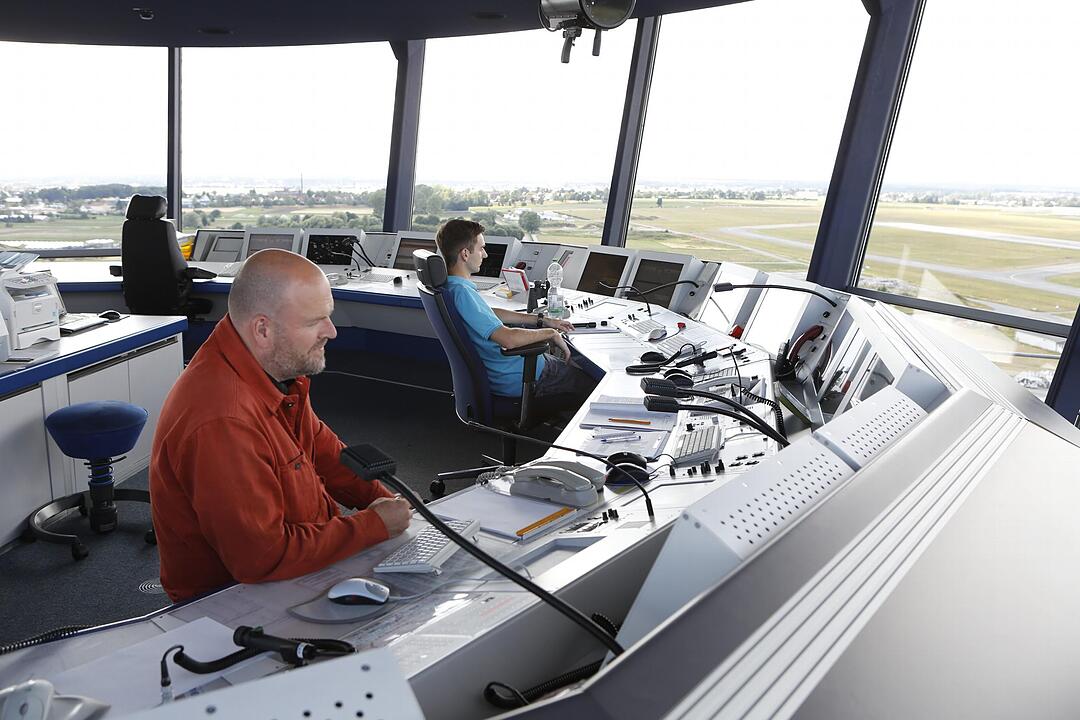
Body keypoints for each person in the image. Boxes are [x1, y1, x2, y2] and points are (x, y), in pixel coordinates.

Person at [150, 249, 411, 602]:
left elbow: (328, 454)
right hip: (234, 599)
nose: (332, 332)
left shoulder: (275, 374)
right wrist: (374, 526)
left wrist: (390, 503)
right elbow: (261, 558)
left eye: (329, 316)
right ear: (263, 329)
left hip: (297, 564)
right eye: (314, 322)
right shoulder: (222, 419)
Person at [435, 219, 596, 408]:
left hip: (509, 371)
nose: (485, 254)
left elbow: (488, 314)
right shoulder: (463, 293)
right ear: (465, 254)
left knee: (573, 368)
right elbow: (509, 339)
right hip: (520, 377)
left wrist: (541, 320)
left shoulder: (452, 287)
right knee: (596, 386)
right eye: (481, 249)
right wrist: (550, 334)